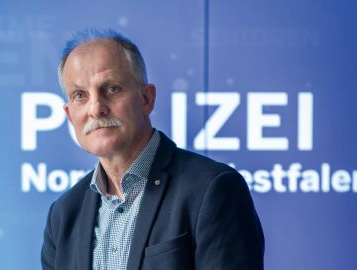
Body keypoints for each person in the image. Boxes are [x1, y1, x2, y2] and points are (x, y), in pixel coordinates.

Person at [41, 29, 264, 270]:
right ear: (70, 116)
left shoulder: (213, 189)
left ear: (147, 99)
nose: (96, 108)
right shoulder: (63, 216)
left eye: (112, 88)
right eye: (80, 95)